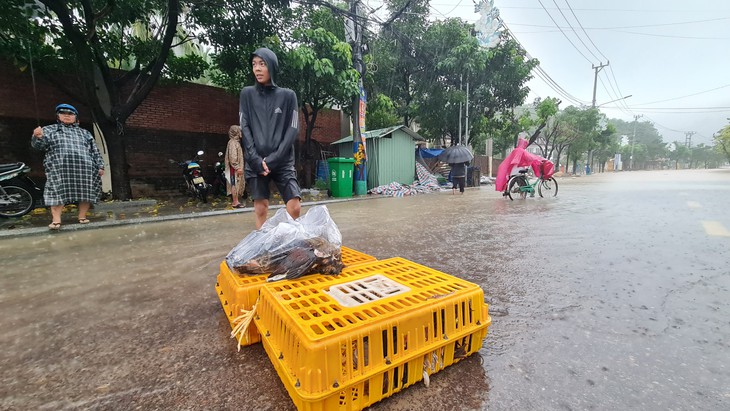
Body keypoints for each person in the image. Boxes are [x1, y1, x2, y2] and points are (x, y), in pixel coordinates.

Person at [239, 47, 301, 229]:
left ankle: (290, 246)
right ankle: (263, 249)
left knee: (295, 206)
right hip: (255, 160)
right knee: (260, 208)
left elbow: (293, 128)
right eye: (254, 64)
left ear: (271, 67)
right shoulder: (247, 94)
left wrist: (274, 159)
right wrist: (255, 160)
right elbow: (245, 126)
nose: (257, 69)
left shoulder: (288, 96)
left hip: (282, 161)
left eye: (262, 64)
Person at [31, 103, 105, 230]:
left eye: (70, 114)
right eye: (63, 113)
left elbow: (95, 150)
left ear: (76, 117)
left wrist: (100, 166)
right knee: (56, 193)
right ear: (58, 116)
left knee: (86, 192)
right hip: (59, 169)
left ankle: (82, 216)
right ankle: (56, 220)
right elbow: (39, 146)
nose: (67, 116)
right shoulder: (49, 130)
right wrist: (37, 137)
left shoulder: (85, 133)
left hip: (85, 169)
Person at [225, 125, 245, 208]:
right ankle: (235, 202)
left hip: (235, 168)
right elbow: (233, 157)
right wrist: (238, 167)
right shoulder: (233, 143)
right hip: (234, 169)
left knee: (236, 183)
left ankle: (236, 201)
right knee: (234, 183)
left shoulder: (234, 142)